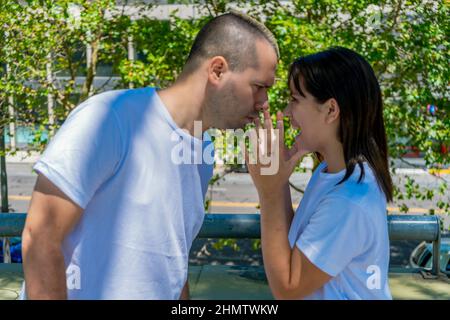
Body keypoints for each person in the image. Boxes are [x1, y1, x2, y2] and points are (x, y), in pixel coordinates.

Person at [20, 10, 279, 299]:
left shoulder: (202, 151)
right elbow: (40, 237)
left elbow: (171, 264)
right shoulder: (109, 118)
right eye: (259, 87)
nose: (263, 103)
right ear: (217, 70)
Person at [247, 47, 393, 299]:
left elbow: (288, 287)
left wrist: (269, 192)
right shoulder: (332, 171)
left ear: (330, 111)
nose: (288, 113)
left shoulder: (348, 199)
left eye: (294, 99)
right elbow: (297, 245)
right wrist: (278, 179)